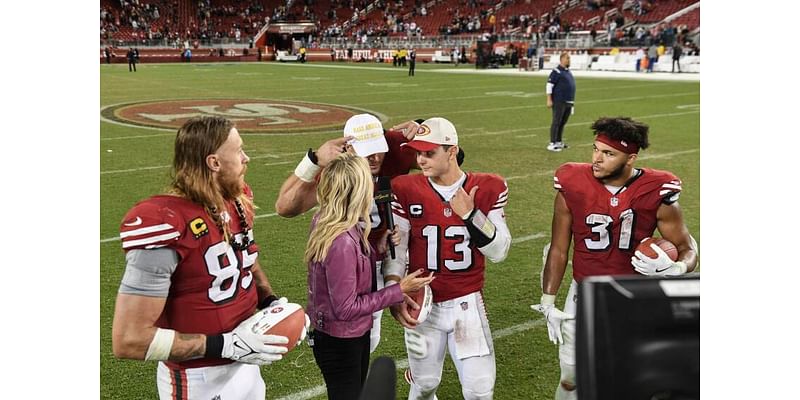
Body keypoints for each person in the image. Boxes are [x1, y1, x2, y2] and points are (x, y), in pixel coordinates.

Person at [111, 116, 309, 399]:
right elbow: (129, 339)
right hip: (199, 378)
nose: (246, 157)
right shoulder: (165, 222)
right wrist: (225, 345)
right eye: (238, 150)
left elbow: (245, 257)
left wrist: (269, 301)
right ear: (214, 163)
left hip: (246, 364)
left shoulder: (237, 200)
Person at [531, 116, 698, 400]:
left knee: (632, 378)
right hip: (584, 292)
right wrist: (548, 302)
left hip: (635, 294)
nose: (597, 158)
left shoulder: (656, 189)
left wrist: (676, 267)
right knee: (571, 377)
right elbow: (559, 248)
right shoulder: (572, 181)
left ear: (630, 158)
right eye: (595, 149)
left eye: (608, 153)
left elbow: (688, 247)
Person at [384, 117, 512, 400]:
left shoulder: (487, 187)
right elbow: (398, 248)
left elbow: (500, 251)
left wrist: (471, 215)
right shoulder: (406, 188)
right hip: (422, 303)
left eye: (429, 153)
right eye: (418, 153)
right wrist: (394, 287)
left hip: (466, 304)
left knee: (479, 392)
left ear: (452, 151)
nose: (421, 160)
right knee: (425, 384)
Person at [276, 114, 419, 353]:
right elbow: (285, 207)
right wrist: (313, 161)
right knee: (363, 335)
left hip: (387, 248)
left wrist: (424, 129)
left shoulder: (394, 146)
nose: (374, 158)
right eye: (366, 151)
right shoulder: (337, 168)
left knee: (409, 323)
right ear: (348, 148)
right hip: (351, 258)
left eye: (378, 149)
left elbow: (450, 155)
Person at [306, 152, 435, 400]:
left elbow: (345, 270)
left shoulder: (334, 222)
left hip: (342, 336)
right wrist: (398, 289)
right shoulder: (341, 240)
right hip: (343, 339)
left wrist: (377, 251)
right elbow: (346, 308)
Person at [546, 52, 576, 152]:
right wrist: (549, 99)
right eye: (567, 58)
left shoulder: (568, 72)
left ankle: (558, 141)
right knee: (556, 121)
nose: (569, 60)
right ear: (562, 59)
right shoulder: (556, 71)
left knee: (563, 122)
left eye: (569, 58)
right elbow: (549, 85)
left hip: (568, 101)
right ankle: (552, 143)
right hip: (559, 101)